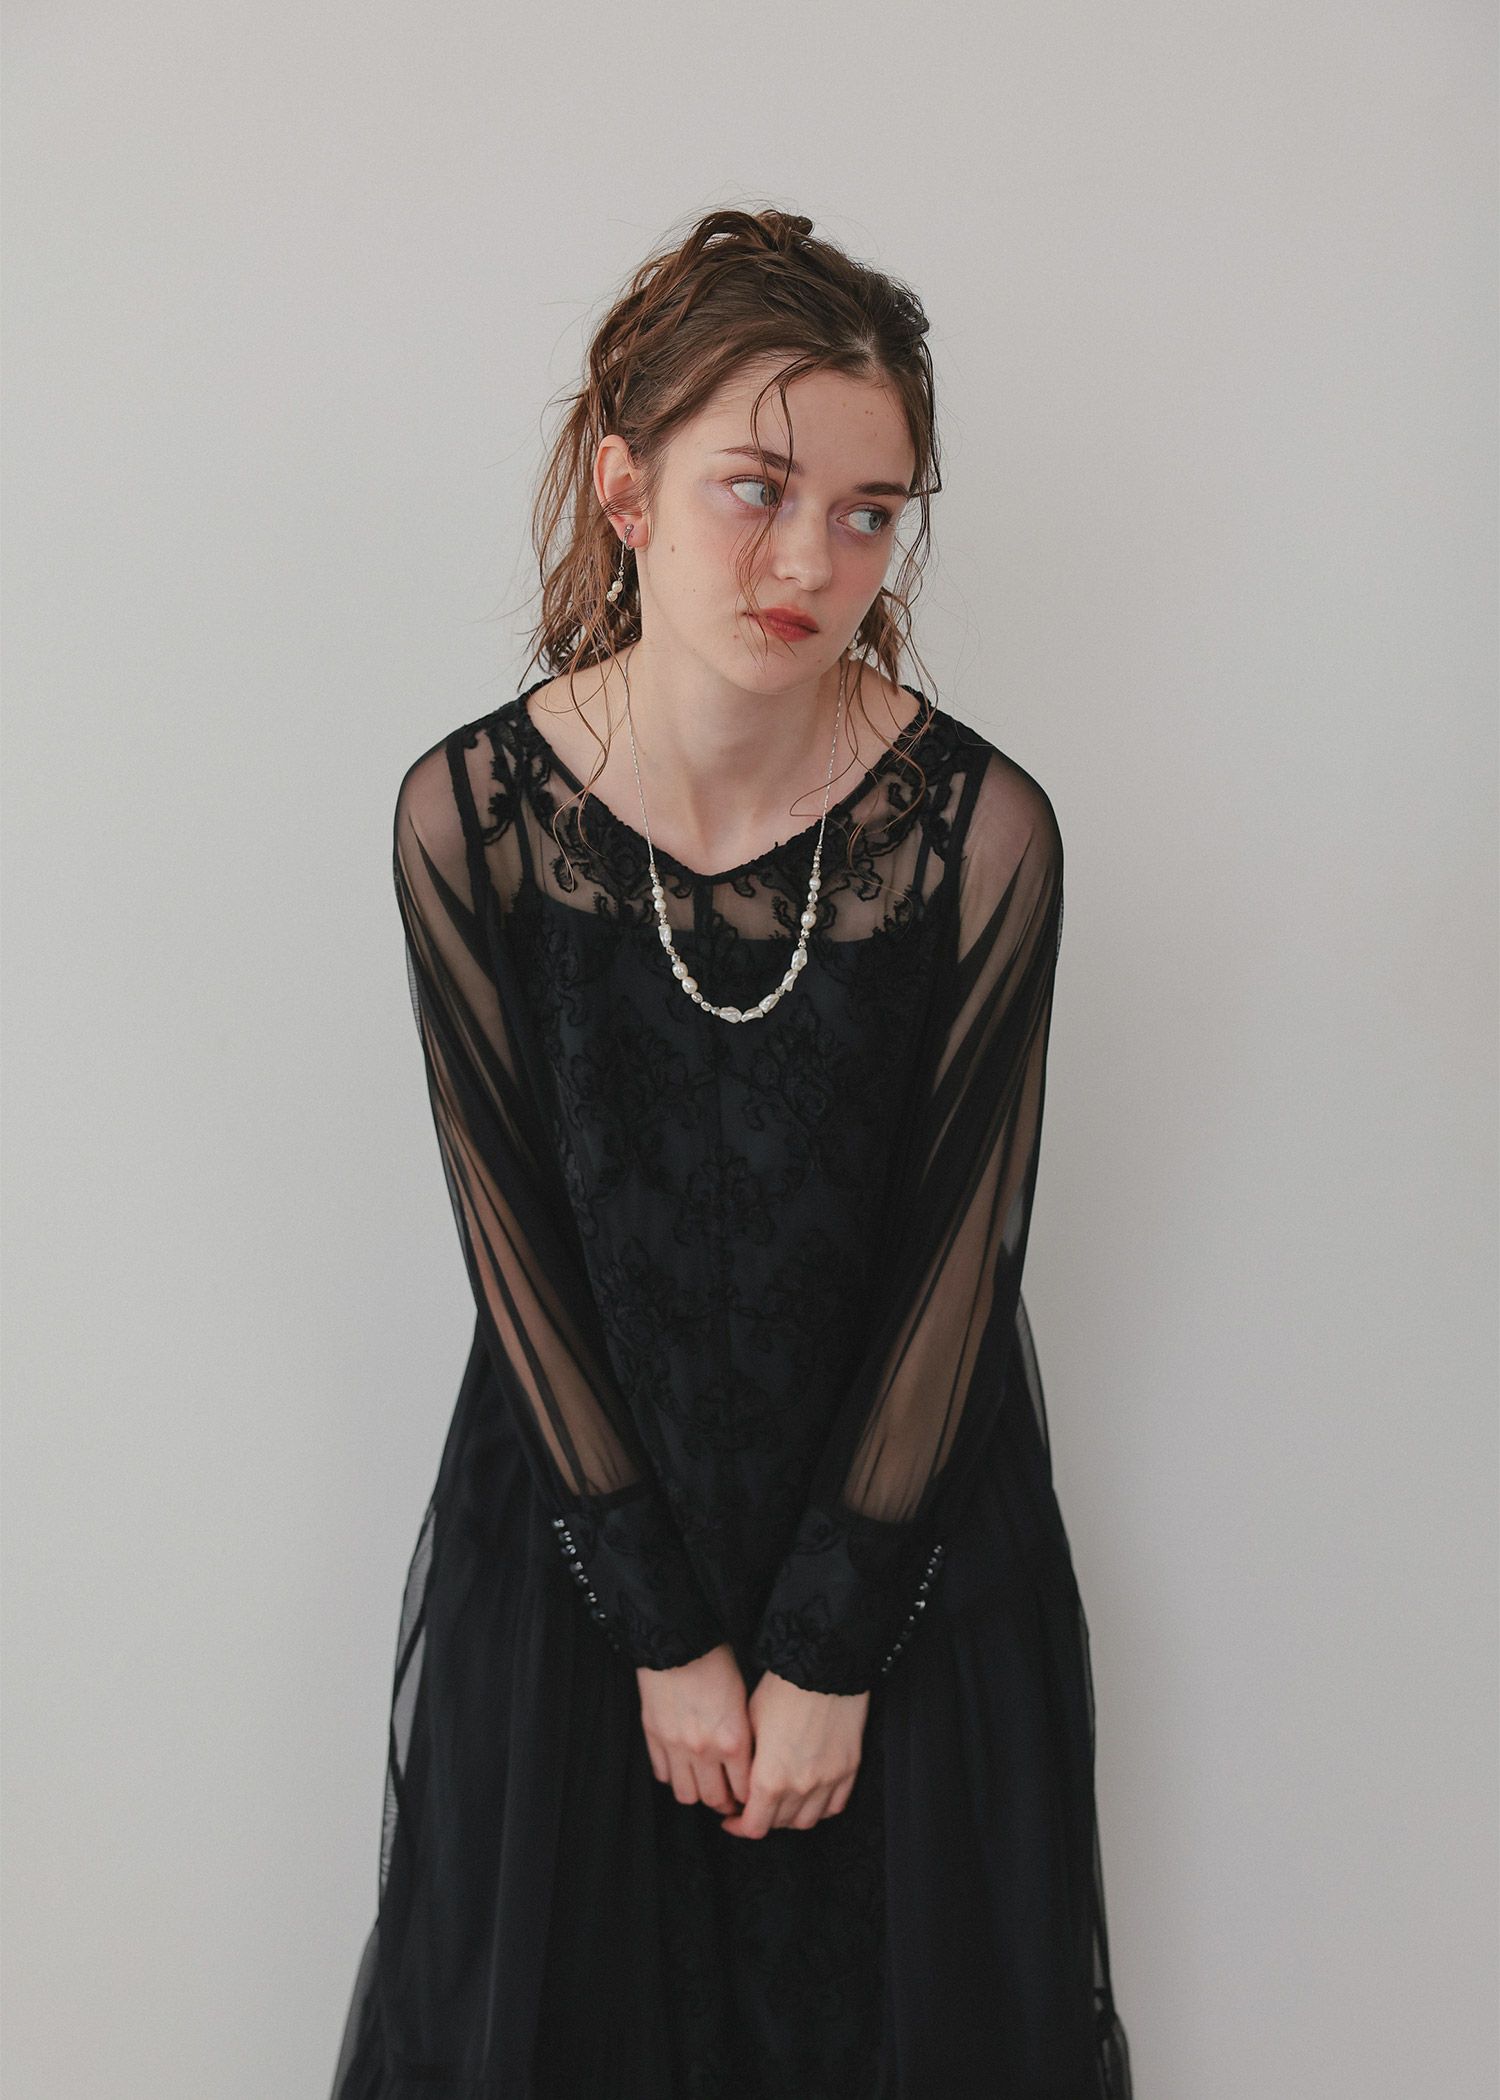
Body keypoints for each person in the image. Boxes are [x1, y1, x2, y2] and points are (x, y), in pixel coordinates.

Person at [330, 205, 1133, 2100]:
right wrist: (663, 1633)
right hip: (582, 1557)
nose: (810, 562)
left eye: (868, 514)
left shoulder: (984, 834)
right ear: (626, 489)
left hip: (901, 1564)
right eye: (756, 490)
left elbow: (963, 1255)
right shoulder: (468, 818)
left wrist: (832, 1651)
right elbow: (512, 1243)